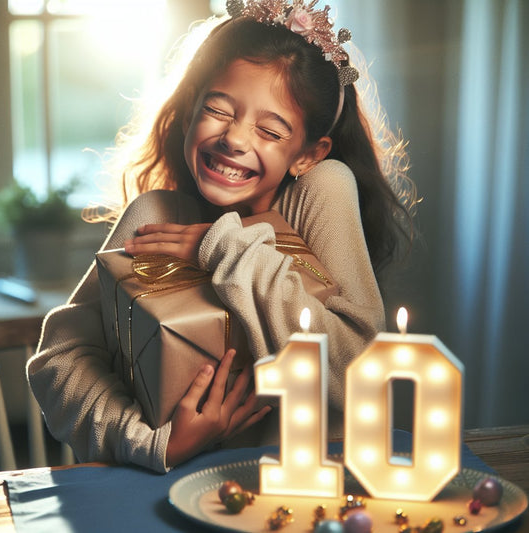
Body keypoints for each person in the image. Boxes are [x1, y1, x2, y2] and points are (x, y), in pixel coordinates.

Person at [27, 0, 414, 473]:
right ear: (191, 107)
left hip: (302, 489)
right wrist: (153, 442)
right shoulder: (155, 215)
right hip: (165, 488)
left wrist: (223, 248)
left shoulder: (321, 187)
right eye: (217, 109)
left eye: (271, 130)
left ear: (308, 154)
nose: (235, 138)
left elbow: (360, 369)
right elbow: (59, 357)